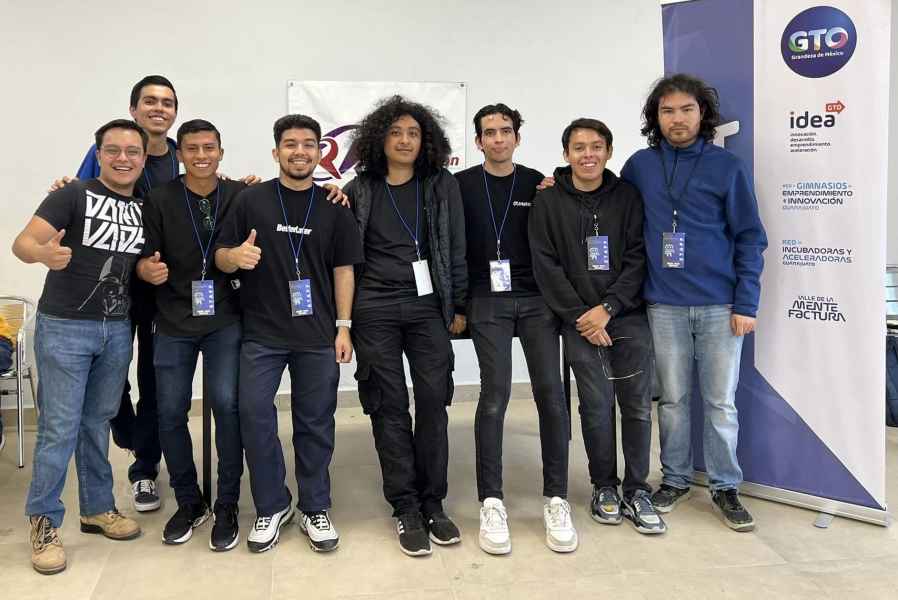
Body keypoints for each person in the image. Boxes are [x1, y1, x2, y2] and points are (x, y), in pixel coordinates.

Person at [621, 73, 767, 532]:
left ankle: (725, 486)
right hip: (663, 305)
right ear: (656, 118)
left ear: (703, 114)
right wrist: (557, 182)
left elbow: (750, 237)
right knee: (673, 400)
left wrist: (747, 302)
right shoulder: (640, 166)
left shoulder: (728, 168)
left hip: (720, 305)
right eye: (667, 111)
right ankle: (676, 479)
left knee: (721, 402)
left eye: (686, 109)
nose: (677, 119)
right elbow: (605, 202)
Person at [214, 114, 362, 554]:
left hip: (317, 335)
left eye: (309, 144)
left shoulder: (335, 206)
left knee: (315, 422)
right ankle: (272, 505)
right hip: (262, 334)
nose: (300, 151)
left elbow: (344, 270)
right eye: (291, 144)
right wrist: (234, 258)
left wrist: (344, 327)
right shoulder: (250, 200)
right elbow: (221, 254)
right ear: (276, 151)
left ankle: (315, 506)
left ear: (320, 152)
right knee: (254, 415)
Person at [12, 119, 148, 575]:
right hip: (65, 328)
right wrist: (43, 255)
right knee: (59, 429)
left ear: (143, 158)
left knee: (97, 422)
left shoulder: (145, 207)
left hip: (116, 329)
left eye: (132, 151)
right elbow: (22, 243)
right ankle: (44, 522)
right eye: (114, 150)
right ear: (99, 154)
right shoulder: (72, 195)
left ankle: (97, 508)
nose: (123, 158)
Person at [530, 118, 666, 536]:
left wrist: (608, 307)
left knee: (637, 406)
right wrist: (582, 316)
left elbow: (639, 257)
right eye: (578, 147)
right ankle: (604, 485)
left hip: (626, 316)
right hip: (578, 322)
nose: (587, 154)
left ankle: (638, 489)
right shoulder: (548, 201)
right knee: (594, 406)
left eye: (596, 146)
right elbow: (546, 264)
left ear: (608, 152)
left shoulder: (627, 196)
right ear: (566, 154)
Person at [344, 95, 467, 557]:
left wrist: (458, 305)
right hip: (373, 307)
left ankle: (433, 502)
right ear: (379, 139)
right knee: (388, 405)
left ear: (425, 140)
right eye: (395, 132)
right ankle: (405, 506)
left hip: (427, 306)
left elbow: (456, 247)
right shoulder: (359, 189)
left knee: (434, 401)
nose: (404, 140)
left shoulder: (440, 185)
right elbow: (342, 256)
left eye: (413, 133)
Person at [455, 104, 572, 554]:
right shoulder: (460, 185)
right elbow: (450, 245)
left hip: (537, 299)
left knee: (550, 393)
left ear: (517, 138)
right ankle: (491, 501)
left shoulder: (538, 183)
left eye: (506, 131)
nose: (498, 139)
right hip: (487, 300)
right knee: (495, 394)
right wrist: (458, 304)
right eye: (490, 133)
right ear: (479, 141)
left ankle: (556, 498)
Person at [136, 119, 245, 550]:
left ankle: (227, 502)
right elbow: (142, 255)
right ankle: (189, 501)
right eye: (192, 149)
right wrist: (145, 269)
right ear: (179, 154)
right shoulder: (159, 199)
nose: (201, 155)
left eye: (209, 148)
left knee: (227, 404)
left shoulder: (239, 195)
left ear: (221, 152)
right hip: (173, 320)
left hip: (225, 319)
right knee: (168, 411)